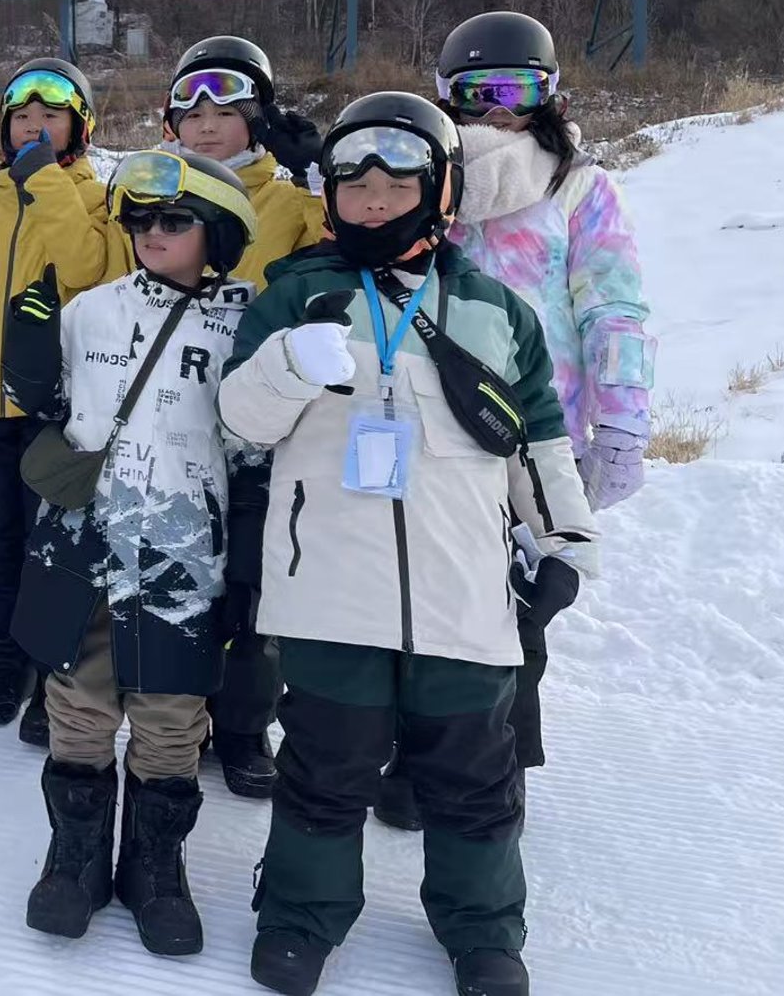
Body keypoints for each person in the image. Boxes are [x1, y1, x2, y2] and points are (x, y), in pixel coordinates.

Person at [220, 92, 599, 996]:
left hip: (462, 591)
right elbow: (239, 421)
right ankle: (301, 914)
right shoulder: (293, 294)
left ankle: (483, 928)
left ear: (440, 193)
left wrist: (565, 543)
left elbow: (538, 440)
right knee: (325, 764)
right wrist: (286, 365)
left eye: (397, 184)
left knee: (474, 771)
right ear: (331, 196)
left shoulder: (497, 312)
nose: (376, 200)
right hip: (328, 591)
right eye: (356, 186)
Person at [357, 12, 647, 828]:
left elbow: (615, 308)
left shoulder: (578, 187)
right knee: (415, 588)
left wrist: (622, 422)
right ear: (446, 96)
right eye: (476, 90)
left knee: (519, 602)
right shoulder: (423, 179)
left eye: (515, 89)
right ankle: (414, 752)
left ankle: (495, 766)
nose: (495, 109)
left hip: (531, 432)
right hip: (419, 422)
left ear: (547, 95)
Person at [3, 150, 258, 957]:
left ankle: (156, 865)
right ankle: (74, 858)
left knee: (172, 714)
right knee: (78, 701)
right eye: (141, 219)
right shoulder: (90, 310)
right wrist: (28, 350)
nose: (153, 232)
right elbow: (48, 401)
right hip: (85, 540)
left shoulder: (244, 322)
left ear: (217, 232)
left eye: (175, 220)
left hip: (183, 550)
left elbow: (253, 444)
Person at [0, 56, 126, 746]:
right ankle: (7, 655)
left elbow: (87, 267)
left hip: (57, 409)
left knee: (54, 544)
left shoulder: (98, 202)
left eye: (51, 116)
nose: (33, 126)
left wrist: (45, 180)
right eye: (21, 116)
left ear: (80, 128)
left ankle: (53, 671)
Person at [161, 35, 327, 800]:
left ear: (258, 118)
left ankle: (244, 723)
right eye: (190, 111)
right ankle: (180, 713)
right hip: (174, 423)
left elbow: (346, 243)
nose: (205, 125)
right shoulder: (157, 197)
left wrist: (316, 169)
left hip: (263, 431)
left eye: (224, 110)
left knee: (254, 583)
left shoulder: (291, 202)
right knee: (180, 573)